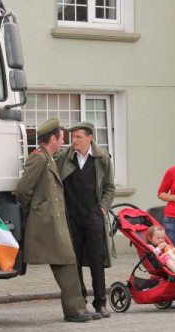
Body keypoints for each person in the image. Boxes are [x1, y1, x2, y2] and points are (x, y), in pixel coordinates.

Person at [17, 118, 93, 323]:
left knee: (68, 260)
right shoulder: (39, 158)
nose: (63, 143)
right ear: (52, 138)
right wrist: (35, 211)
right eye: (61, 138)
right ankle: (75, 310)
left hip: (54, 221)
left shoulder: (48, 158)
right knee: (67, 260)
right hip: (46, 222)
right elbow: (24, 190)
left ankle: (77, 308)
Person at [55, 121, 115, 318]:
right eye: (72, 138)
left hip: (93, 216)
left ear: (90, 137)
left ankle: (101, 302)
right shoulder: (64, 157)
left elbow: (109, 187)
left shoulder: (102, 158)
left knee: (97, 259)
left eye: (78, 137)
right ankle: (80, 301)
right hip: (71, 216)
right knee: (75, 260)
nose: (74, 141)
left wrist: (103, 208)